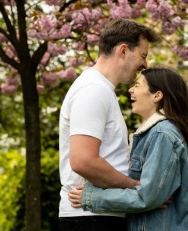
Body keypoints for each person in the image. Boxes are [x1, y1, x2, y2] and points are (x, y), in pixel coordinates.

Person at [68, 67, 188, 230]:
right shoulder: (156, 133)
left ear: (157, 95)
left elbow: (145, 197)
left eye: (137, 85)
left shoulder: (162, 134)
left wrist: (92, 197)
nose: (131, 89)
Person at [59, 19, 159, 230]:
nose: (145, 65)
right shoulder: (93, 90)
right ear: (123, 50)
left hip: (98, 215)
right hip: (91, 218)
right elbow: (83, 161)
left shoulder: (100, 89)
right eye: (143, 55)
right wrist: (135, 187)